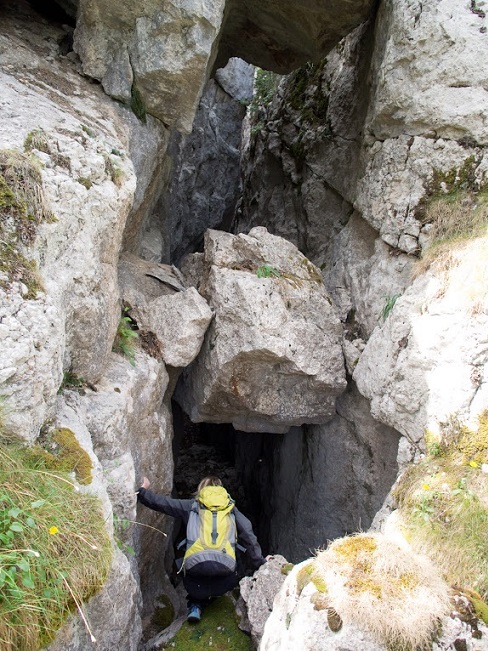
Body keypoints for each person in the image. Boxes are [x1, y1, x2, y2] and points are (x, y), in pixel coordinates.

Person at [137, 475, 266, 623]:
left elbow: (163, 503)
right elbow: (248, 536)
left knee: (188, 560)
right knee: (236, 557)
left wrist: (142, 492)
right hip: (226, 577)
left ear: (201, 490)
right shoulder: (231, 509)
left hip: (195, 574)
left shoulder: (191, 506)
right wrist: (260, 563)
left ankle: (195, 604)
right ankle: (214, 599)